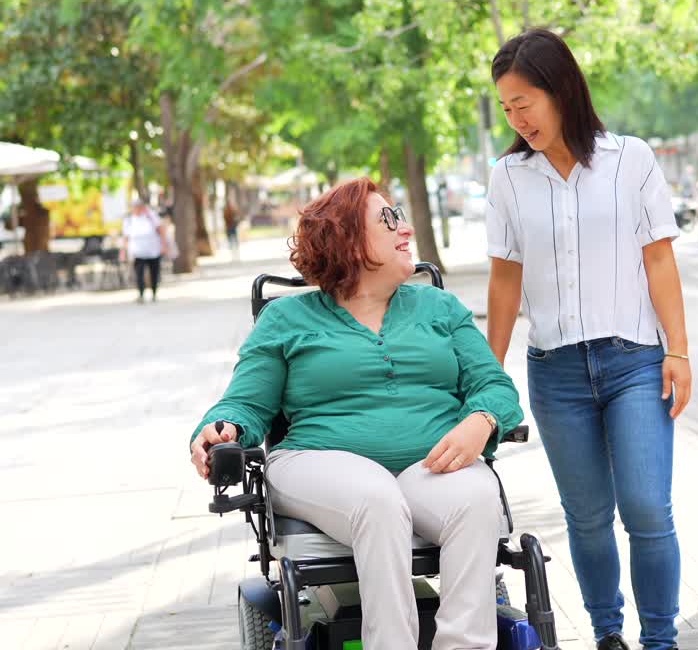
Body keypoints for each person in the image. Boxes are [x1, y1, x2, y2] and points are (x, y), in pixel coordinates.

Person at [189, 178, 523, 650]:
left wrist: (482, 420)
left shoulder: (440, 307)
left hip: (427, 465)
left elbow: (495, 386)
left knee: (477, 497)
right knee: (377, 498)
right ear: (347, 240)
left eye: (401, 213)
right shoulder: (286, 320)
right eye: (388, 218)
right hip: (316, 462)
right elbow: (245, 403)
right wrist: (222, 429)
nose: (405, 227)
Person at [484, 28, 692, 650]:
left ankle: (661, 641)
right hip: (556, 372)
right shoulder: (508, 178)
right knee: (589, 519)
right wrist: (488, 380)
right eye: (506, 108)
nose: (517, 118)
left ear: (561, 90)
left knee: (647, 509)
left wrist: (679, 351)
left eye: (526, 103)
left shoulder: (631, 159)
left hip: (634, 361)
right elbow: (504, 282)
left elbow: (659, 260)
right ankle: (608, 636)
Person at [121, 198, 166, 303]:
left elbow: (161, 230)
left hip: (153, 249)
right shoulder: (129, 219)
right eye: (134, 207)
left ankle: (154, 292)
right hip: (138, 251)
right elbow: (126, 237)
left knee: (154, 272)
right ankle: (141, 294)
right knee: (139, 273)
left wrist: (164, 246)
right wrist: (123, 251)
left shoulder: (151, 216)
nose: (136, 209)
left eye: (138, 206)